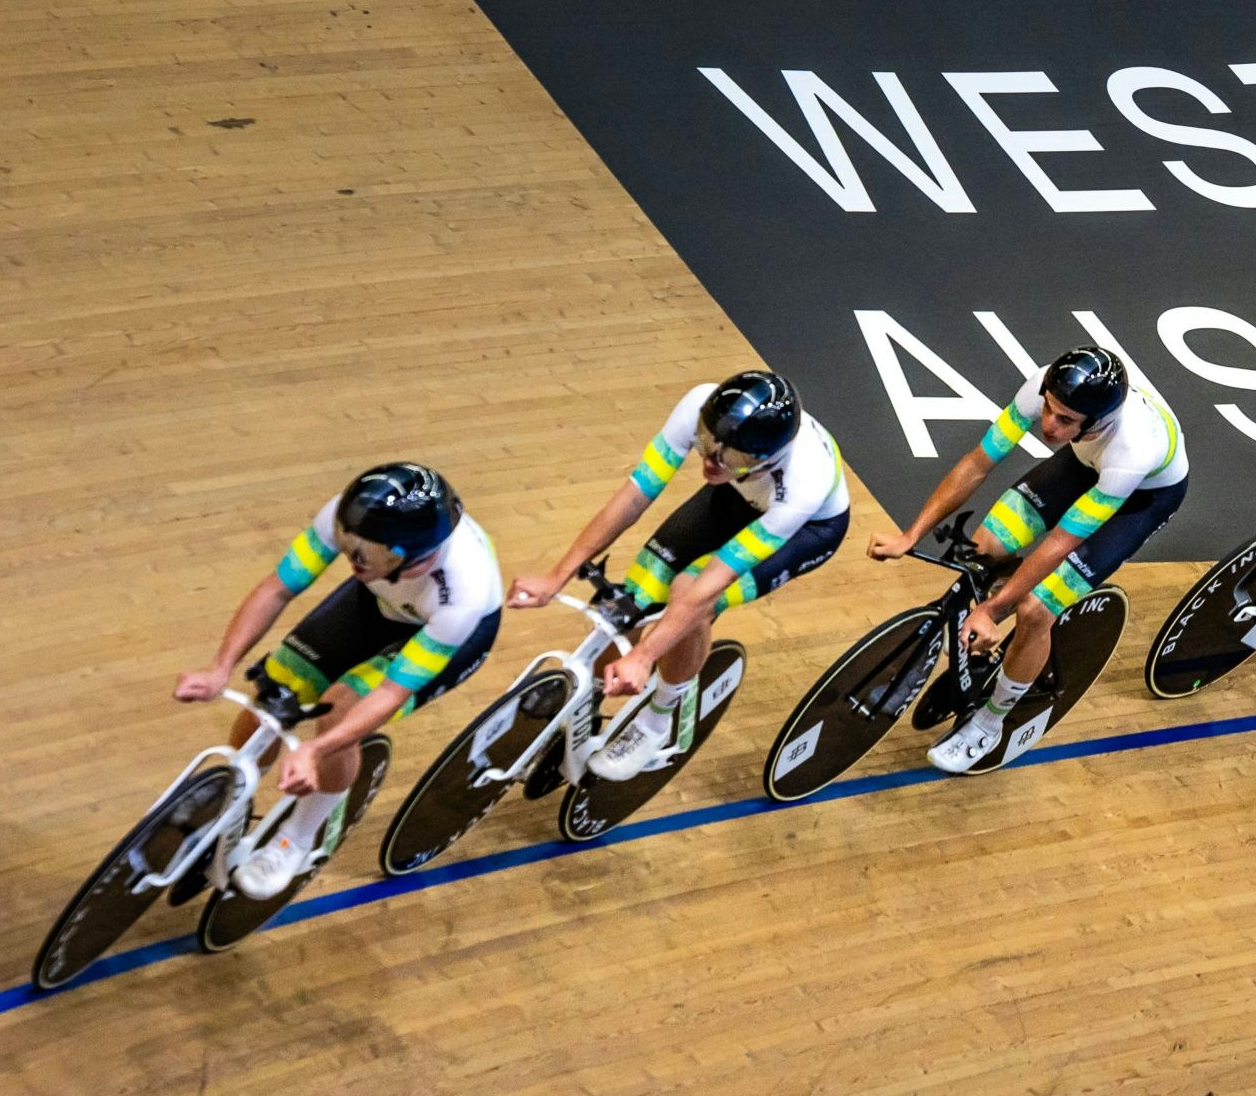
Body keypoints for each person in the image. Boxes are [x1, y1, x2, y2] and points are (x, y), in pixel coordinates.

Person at [173, 463, 502, 899]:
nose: (353, 557)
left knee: (338, 711)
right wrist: (221, 666)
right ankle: (233, 803)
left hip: (447, 635)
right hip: (381, 600)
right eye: (349, 544)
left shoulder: (462, 592)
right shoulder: (355, 519)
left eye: (366, 551)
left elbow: (390, 692)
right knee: (274, 693)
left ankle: (298, 839)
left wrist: (315, 749)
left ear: (409, 553)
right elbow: (277, 588)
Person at [509, 370, 849, 780]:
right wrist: (556, 576)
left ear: (766, 458)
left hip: (807, 529)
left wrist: (645, 656)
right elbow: (635, 495)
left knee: (690, 593)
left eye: (732, 457)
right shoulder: (701, 407)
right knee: (639, 591)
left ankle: (656, 723)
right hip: (738, 493)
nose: (710, 462)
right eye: (707, 444)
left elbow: (709, 586)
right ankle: (588, 707)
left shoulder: (803, 481)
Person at [871, 346, 1188, 774]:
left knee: (1036, 608)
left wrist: (992, 608)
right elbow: (978, 463)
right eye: (1049, 410)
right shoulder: (1047, 387)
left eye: (1064, 420)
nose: (1047, 426)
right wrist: (910, 535)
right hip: (1083, 461)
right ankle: (983, 652)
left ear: (1096, 420)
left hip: (1141, 498)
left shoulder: (1131, 451)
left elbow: (1059, 544)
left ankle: (989, 722)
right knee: (983, 549)